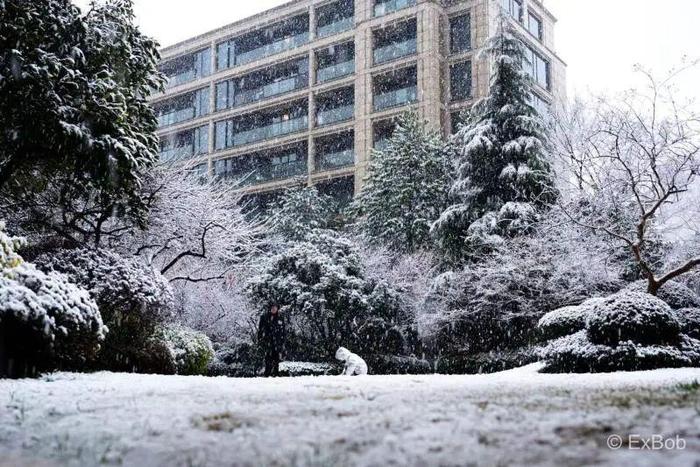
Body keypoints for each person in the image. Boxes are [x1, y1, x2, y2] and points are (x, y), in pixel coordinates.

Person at [257, 303, 286, 377]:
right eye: (272, 307)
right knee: (268, 359)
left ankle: (276, 374)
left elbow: (283, 331)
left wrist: (282, 341)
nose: (274, 309)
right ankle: (267, 374)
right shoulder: (264, 317)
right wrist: (260, 340)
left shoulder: (280, 318)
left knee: (276, 359)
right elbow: (260, 330)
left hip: (277, 342)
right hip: (268, 341)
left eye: (275, 308)